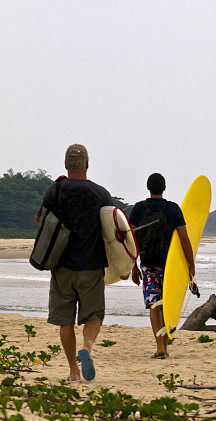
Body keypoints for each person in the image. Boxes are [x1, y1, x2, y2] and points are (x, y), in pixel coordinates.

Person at [36, 144, 114, 382]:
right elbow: (114, 227)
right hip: (91, 266)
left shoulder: (54, 190)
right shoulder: (100, 193)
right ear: (87, 165)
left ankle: (73, 371)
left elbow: (41, 219)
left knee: (65, 321)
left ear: (66, 165)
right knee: (93, 316)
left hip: (61, 266)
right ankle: (87, 349)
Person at [130, 173, 195, 359]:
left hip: (148, 264)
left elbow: (131, 240)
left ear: (148, 188)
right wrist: (191, 265)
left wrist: (133, 266)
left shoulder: (138, 209)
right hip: (170, 265)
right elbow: (184, 239)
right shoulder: (172, 209)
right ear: (164, 188)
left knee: (153, 305)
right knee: (167, 304)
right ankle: (164, 346)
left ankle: (160, 346)